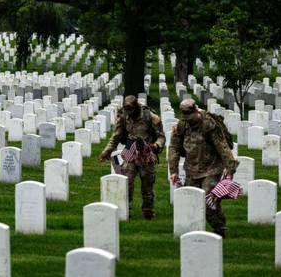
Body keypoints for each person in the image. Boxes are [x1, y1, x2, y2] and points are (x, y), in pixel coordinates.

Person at [168, 98, 237, 238]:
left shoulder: (209, 125)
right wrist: (173, 170)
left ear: (196, 111)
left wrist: (230, 169)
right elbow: (174, 148)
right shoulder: (182, 125)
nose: (188, 120)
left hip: (211, 169)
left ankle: (219, 228)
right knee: (191, 201)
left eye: (190, 117)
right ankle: (193, 232)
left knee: (208, 200)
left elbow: (223, 147)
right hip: (191, 169)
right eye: (185, 117)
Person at [99, 95, 165, 219]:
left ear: (136, 107)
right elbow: (116, 137)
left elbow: (161, 136)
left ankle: (148, 212)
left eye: (131, 111)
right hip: (130, 154)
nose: (129, 113)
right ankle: (125, 210)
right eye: (127, 110)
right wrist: (106, 152)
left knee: (147, 186)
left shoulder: (151, 117)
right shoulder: (124, 117)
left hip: (146, 154)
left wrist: (156, 145)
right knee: (126, 182)